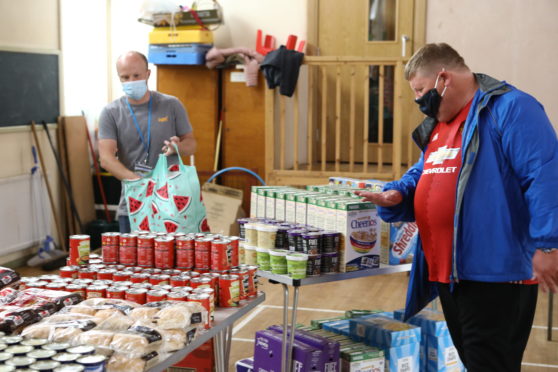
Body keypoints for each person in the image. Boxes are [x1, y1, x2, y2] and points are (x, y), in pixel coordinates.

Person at [355, 43, 558, 371]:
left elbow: (546, 174)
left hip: (496, 275)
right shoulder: (440, 125)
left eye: (420, 90)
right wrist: (398, 195)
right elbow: (422, 174)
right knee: (474, 362)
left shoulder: (511, 108)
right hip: (449, 274)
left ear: (443, 79)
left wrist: (549, 243)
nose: (419, 101)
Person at [98, 51, 196, 233]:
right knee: (134, 260)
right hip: (133, 205)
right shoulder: (110, 113)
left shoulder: (171, 105)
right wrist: (138, 182)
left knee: (174, 260)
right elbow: (106, 159)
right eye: (125, 77)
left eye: (136, 75)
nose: (131, 81)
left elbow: (191, 144)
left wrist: (178, 147)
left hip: (172, 203)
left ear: (148, 74)